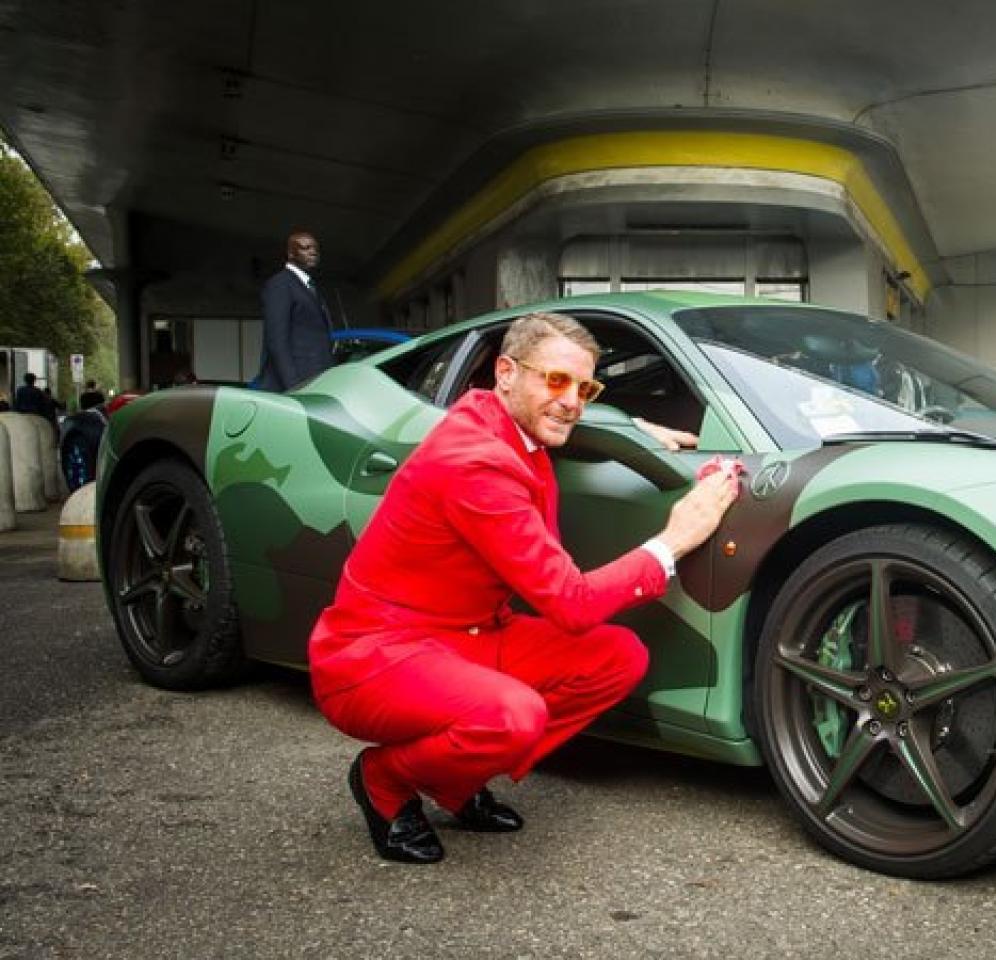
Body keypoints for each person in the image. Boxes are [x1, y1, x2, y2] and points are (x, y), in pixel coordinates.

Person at [309, 312, 738, 864]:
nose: (573, 400)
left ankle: (452, 781)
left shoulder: (499, 417)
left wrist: (634, 430)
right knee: (513, 716)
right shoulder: (473, 463)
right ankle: (384, 780)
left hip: (467, 635)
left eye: (586, 388)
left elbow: (559, 417)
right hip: (376, 655)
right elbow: (571, 603)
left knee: (616, 658)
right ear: (505, 372)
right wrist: (674, 540)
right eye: (556, 380)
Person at [255, 231, 336, 392]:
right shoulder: (280, 284)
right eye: (305, 248)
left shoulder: (310, 287)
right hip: (295, 386)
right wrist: (294, 388)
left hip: (316, 382)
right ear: (291, 253)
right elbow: (277, 341)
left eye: (315, 249)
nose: (313, 252)